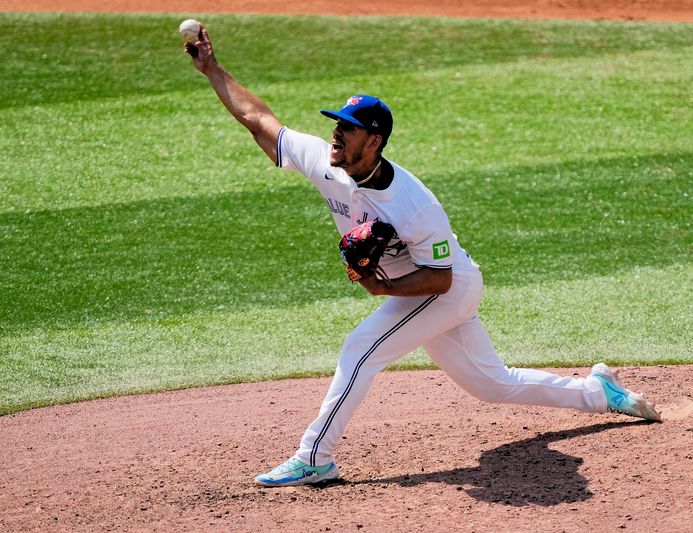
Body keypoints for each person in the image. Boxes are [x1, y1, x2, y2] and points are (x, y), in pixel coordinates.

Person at [183, 23, 661, 488]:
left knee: (359, 351)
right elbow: (259, 119)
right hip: (427, 288)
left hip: (445, 287)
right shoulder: (328, 165)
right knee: (492, 385)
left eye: (347, 130)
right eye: (336, 125)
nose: (335, 135)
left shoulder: (414, 204)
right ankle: (602, 393)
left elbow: (440, 279)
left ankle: (315, 458)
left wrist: (381, 287)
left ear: (373, 142)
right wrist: (213, 70)